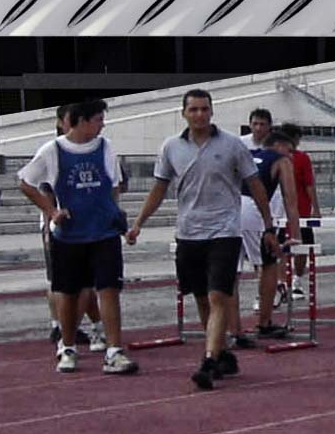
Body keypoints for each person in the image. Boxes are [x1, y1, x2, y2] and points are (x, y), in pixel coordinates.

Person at [127, 89, 280, 391]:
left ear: (212, 112)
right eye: (193, 109)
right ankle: (221, 351)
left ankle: (209, 359)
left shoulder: (233, 145)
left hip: (224, 230)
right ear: (184, 113)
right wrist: (138, 223)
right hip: (188, 232)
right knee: (200, 296)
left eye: (204, 109)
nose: (199, 114)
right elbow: (159, 188)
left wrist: (268, 225)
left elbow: (255, 185)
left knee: (218, 296)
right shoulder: (171, 147)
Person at [18, 99, 138, 376]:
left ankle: (114, 351)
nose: (102, 124)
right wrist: (51, 211)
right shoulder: (53, 150)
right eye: (98, 119)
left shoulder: (106, 148)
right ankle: (68, 346)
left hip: (103, 234)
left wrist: (118, 222)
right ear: (81, 120)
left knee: (109, 290)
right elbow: (25, 181)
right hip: (69, 236)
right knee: (68, 294)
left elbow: (114, 188)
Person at [39, 105, 106, 350]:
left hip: (92, 226)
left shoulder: (99, 148)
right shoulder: (53, 151)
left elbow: (114, 185)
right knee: (64, 284)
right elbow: (41, 188)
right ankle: (65, 328)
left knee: (87, 284)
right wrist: (51, 218)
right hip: (62, 228)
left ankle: (81, 327)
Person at [230, 129, 301, 343]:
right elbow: (291, 200)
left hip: (230, 208)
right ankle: (265, 322)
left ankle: (235, 330)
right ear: (279, 145)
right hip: (253, 210)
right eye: (290, 151)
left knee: (232, 272)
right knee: (268, 264)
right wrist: (295, 235)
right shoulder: (281, 160)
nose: (291, 156)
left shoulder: (248, 155)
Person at [280, 122, 320, 300]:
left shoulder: (301, 158)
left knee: (300, 246)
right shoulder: (291, 158)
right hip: (287, 210)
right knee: (288, 246)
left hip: (298, 210)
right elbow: (310, 186)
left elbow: (308, 184)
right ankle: (289, 281)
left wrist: (315, 208)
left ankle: (294, 280)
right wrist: (316, 208)